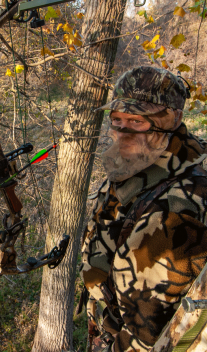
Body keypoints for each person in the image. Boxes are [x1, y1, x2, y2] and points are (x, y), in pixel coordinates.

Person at [79, 66, 207, 352]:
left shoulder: (176, 211)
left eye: (137, 120)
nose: (123, 131)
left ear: (174, 119)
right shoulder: (143, 160)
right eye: (117, 119)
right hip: (109, 320)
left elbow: (149, 336)